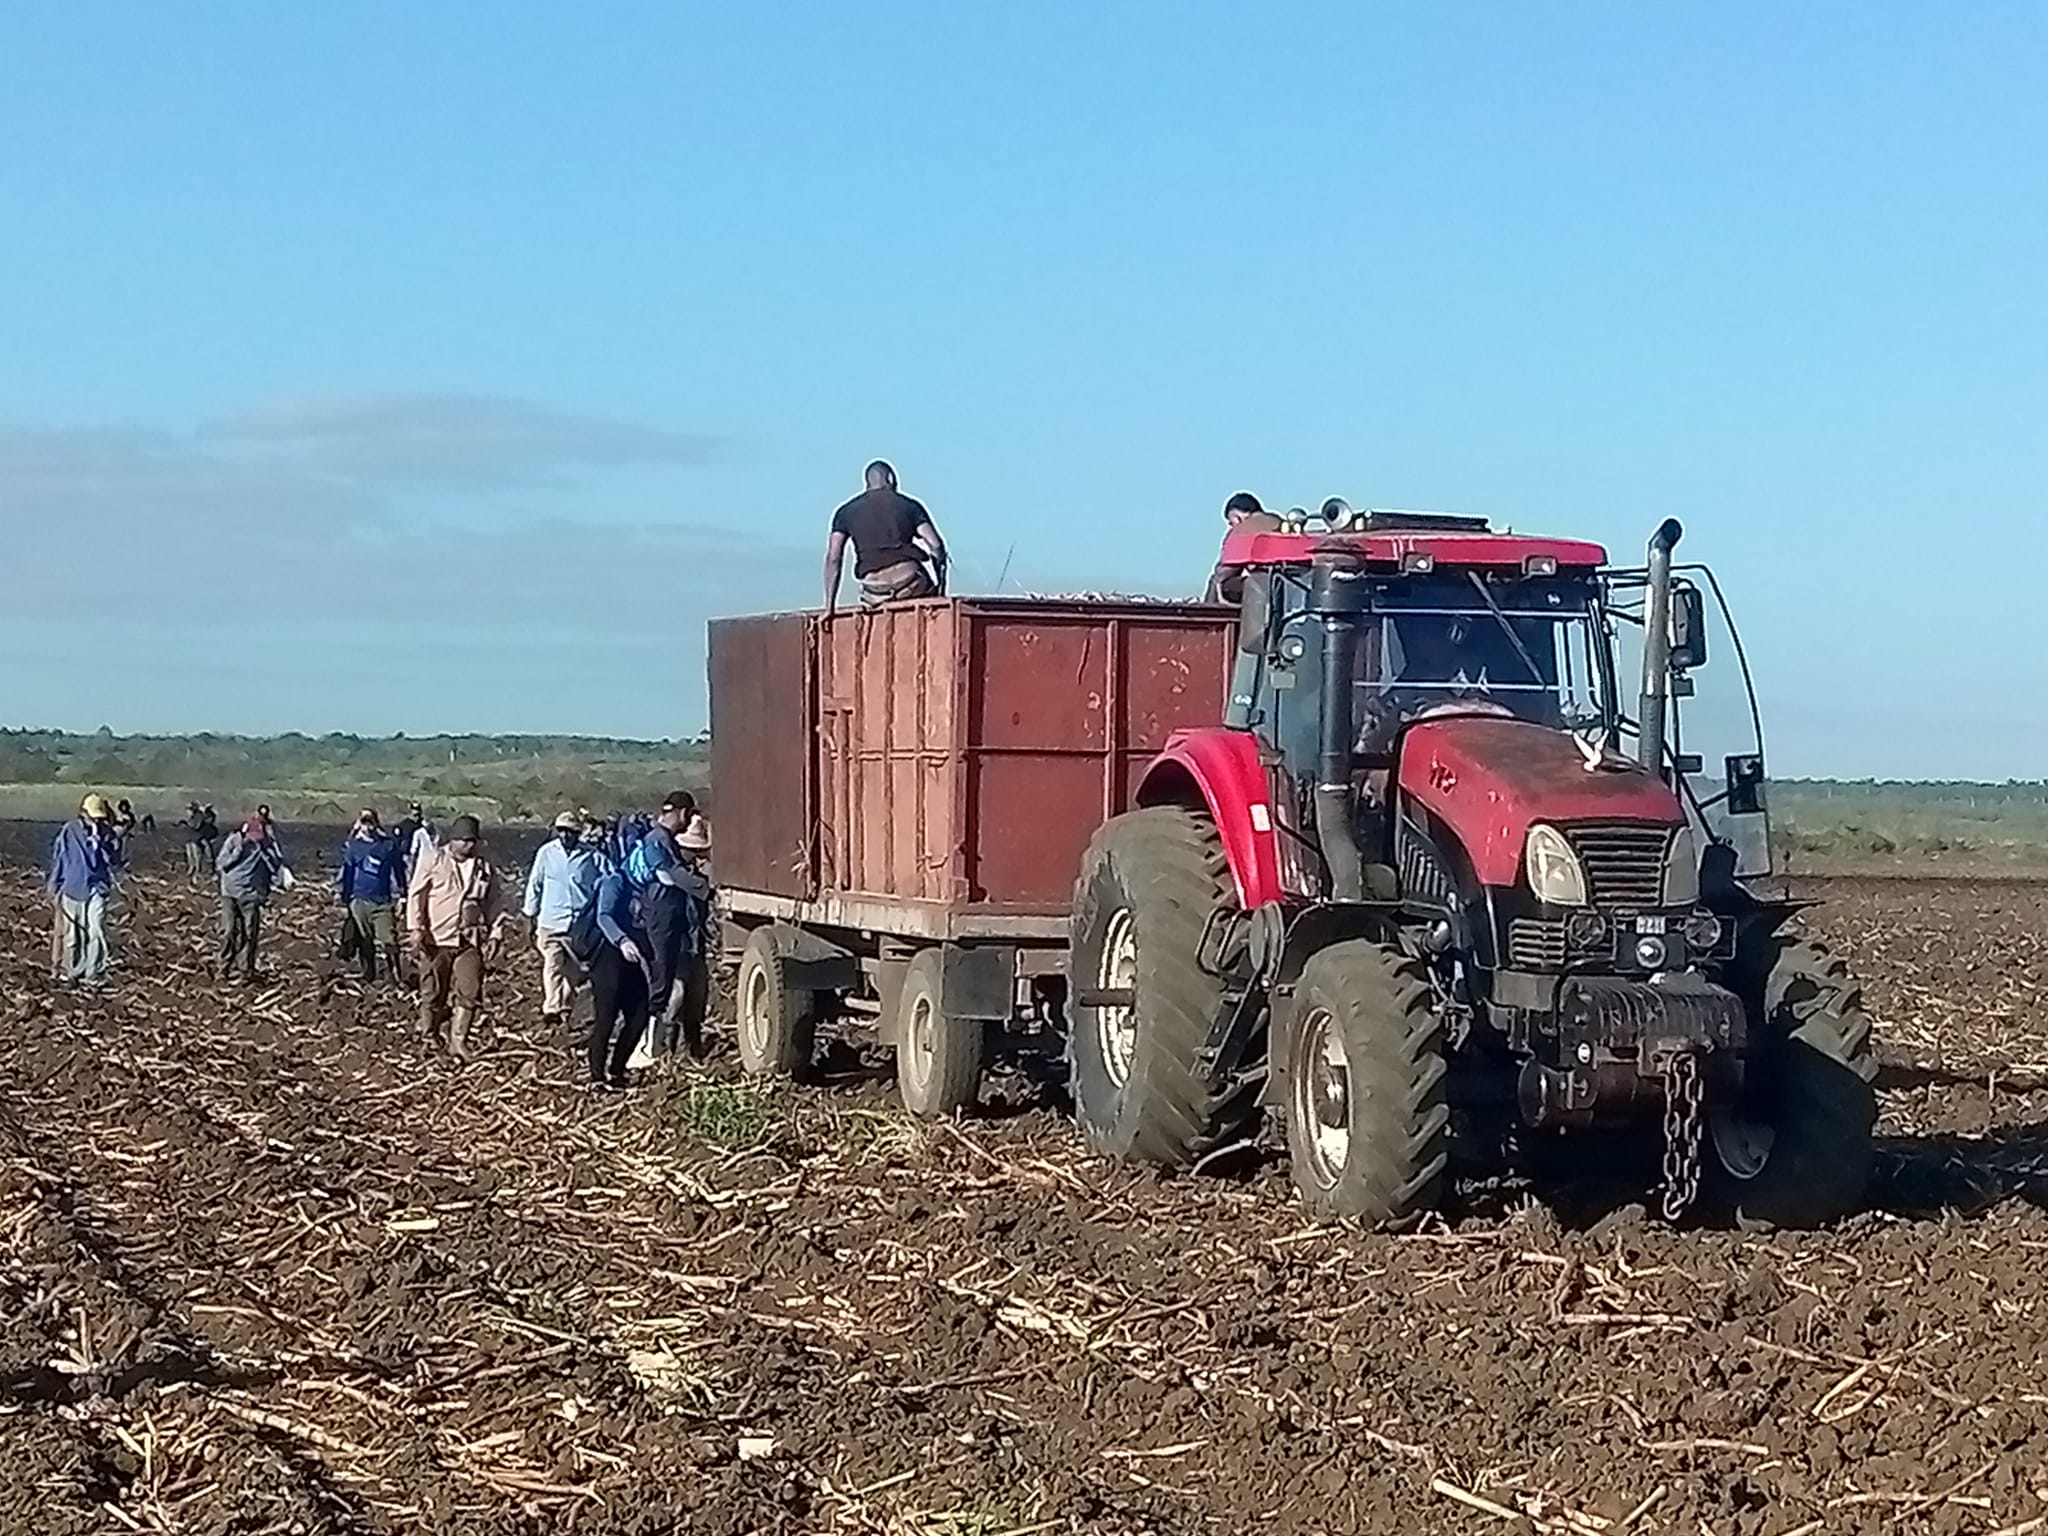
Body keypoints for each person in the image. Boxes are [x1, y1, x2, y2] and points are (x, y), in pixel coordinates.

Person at [407, 813, 506, 1059]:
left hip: (468, 940)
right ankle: (429, 1035)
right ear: (452, 840)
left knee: (470, 989)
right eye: (463, 840)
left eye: (472, 840)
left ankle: (458, 1041)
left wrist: (496, 932)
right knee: (433, 992)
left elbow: (494, 902)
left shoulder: (484, 866)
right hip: (436, 938)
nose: (468, 845)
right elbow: (416, 895)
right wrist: (416, 928)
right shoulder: (433, 859)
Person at [628, 792, 712, 1057]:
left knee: (682, 988)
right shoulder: (657, 841)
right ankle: (649, 1048)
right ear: (684, 813)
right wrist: (704, 888)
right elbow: (667, 876)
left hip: (676, 927)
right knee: (663, 985)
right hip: (661, 919)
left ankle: (678, 1047)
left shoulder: (662, 841)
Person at [823, 460, 949, 615]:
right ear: (890, 478)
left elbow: (833, 558)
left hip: (875, 592)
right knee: (931, 597)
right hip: (910, 584)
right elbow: (935, 544)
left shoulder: (845, 512)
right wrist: (941, 585)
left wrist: (829, 606)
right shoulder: (910, 505)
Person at [525, 810, 601, 1025]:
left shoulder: (591, 856)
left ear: (578, 833)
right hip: (551, 920)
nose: (565, 835)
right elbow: (535, 884)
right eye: (561, 831)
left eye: (570, 831)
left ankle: (566, 1005)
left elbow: (608, 876)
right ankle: (552, 1008)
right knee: (552, 964)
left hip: (578, 924)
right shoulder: (546, 853)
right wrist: (530, 914)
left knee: (573, 971)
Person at [585, 857, 653, 1092]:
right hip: (608, 957)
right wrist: (622, 940)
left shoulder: (642, 888)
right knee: (606, 1017)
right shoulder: (615, 882)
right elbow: (604, 916)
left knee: (639, 1015)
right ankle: (596, 1077)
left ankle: (617, 1070)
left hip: (631, 960)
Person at [653, 815, 715, 1058]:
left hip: (695, 945)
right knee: (676, 995)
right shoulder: (674, 876)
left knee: (697, 998)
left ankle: (693, 1050)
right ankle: (666, 1050)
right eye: (692, 850)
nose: (696, 856)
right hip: (675, 946)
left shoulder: (698, 874)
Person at [48, 795, 119, 988]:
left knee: (95, 929)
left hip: (98, 887)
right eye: (93, 817)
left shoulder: (106, 832)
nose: (96, 820)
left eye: (99, 817)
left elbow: (114, 859)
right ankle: (72, 971)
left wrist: (105, 840)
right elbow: (60, 857)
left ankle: (92, 973)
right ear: (83, 814)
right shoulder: (69, 831)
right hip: (73, 886)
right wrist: (54, 884)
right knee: (73, 934)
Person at [337, 808, 407, 985]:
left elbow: (399, 870)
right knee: (364, 941)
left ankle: (395, 978)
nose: (368, 827)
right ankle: (369, 975)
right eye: (364, 822)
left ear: (376, 823)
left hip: (381, 902)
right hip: (359, 900)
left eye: (370, 822)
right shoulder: (354, 847)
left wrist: (403, 894)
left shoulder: (388, 846)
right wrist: (346, 897)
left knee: (389, 939)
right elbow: (348, 873)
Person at [215, 815, 283, 984]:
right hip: (230, 893)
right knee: (229, 931)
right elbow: (221, 864)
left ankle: (245, 970)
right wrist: (238, 852)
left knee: (249, 932)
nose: (255, 841)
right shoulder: (233, 841)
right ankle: (223, 968)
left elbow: (276, 865)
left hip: (251, 895)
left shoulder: (265, 844)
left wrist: (267, 851)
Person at [1207, 491, 1283, 604]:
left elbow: (1224, 572)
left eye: (1231, 521)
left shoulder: (1241, 531)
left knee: (1217, 582)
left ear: (1238, 517)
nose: (1230, 526)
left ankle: (1208, 616)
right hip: (1293, 585)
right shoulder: (1279, 521)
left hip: (1264, 585)